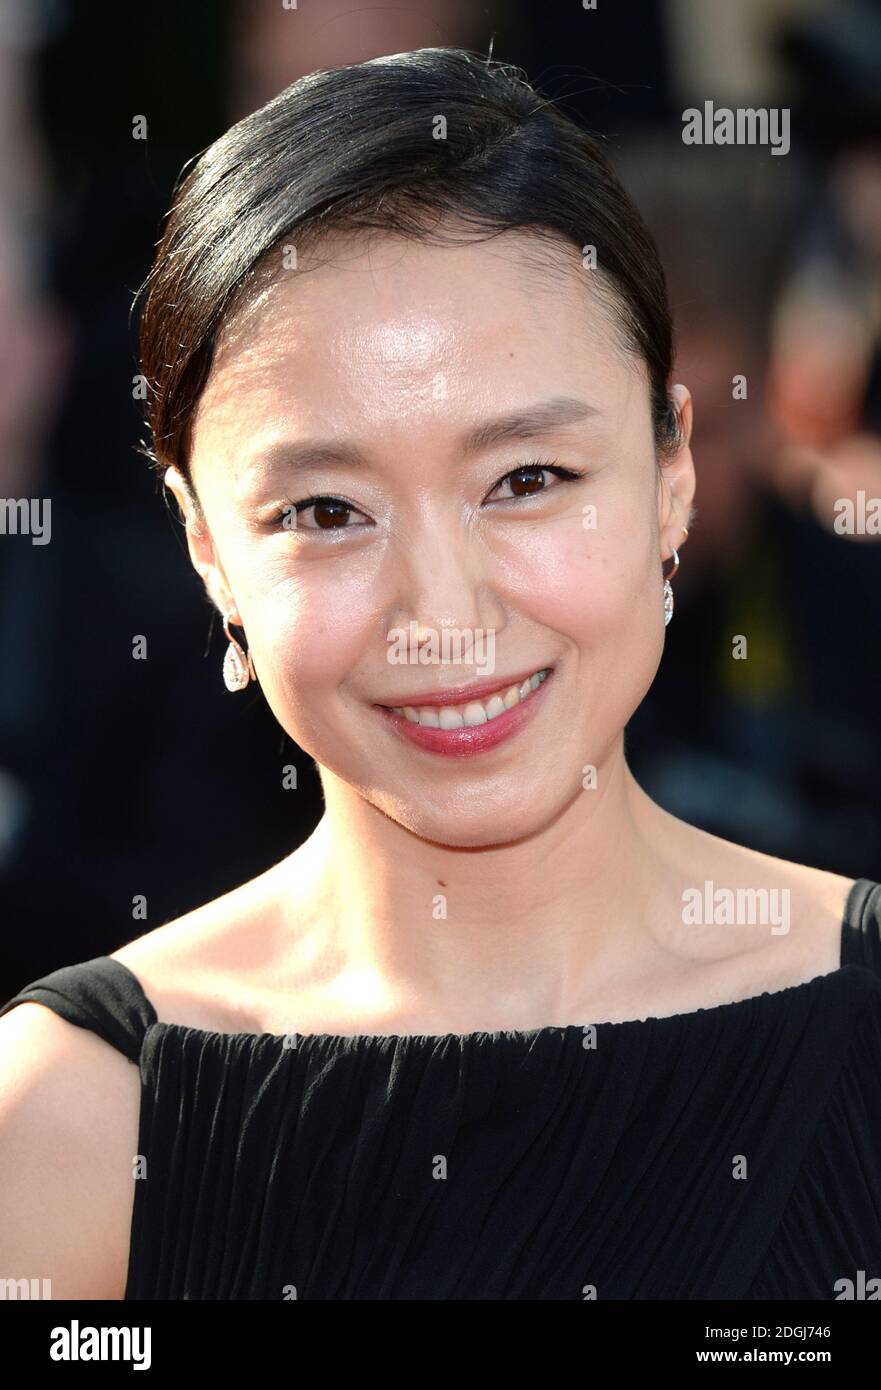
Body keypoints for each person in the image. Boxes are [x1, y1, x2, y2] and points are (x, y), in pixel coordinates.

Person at [0, 47, 878, 1301]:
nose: (443, 616)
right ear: (208, 550)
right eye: (324, 509)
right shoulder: (68, 1124)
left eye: (527, 480)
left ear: (671, 474)